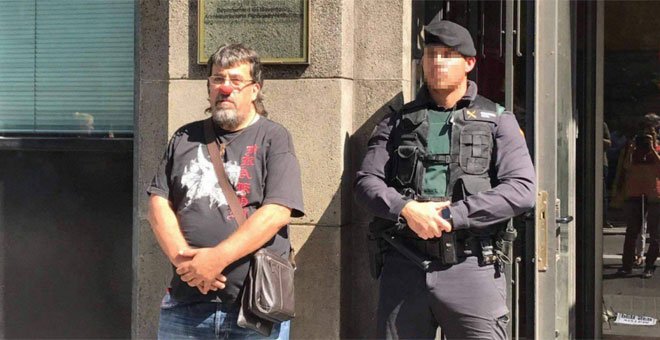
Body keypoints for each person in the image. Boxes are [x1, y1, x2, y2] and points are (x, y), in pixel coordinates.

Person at [354, 18, 536, 339]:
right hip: (405, 266)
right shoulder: (397, 121)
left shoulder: (498, 121)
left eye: (448, 54)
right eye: (431, 54)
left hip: (471, 267)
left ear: (469, 63)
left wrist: (453, 215)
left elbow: (521, 191)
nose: (437, 62)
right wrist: (406, 209)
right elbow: (366, 184)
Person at [147, 43, 304, 339]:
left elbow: (277, 212)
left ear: (255, 89)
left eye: (235, 80)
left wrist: (216, 259)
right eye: (218, 79)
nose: (226, 88)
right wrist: (187, 266)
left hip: (253, 307)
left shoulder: (274, 137)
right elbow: (159, 204)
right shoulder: (184, 137)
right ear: (209, 87)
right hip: (186, 307)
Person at [616, 113, 660, 279]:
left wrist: (653, 148)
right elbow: (626, 166)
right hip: (635, 191)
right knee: (631, 231)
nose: (647, 134)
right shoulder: (634, 146)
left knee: (655, 234)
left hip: (654, 193)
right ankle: (626, 265)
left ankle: (649, 266)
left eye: (651, 130)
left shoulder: (656, 146)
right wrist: (633, 149)